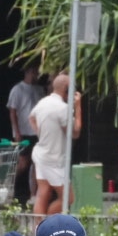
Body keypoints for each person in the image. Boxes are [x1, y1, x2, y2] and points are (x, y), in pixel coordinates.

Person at [30, 75, 81, 216]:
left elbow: (31, 117)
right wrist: (77, 106)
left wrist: (40, 133)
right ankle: (47, 220)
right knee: (68, 198)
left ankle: (38, 228)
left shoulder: (43, 102)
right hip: (54, 159)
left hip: (41, 153)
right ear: (66, 90)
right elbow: (75, 132)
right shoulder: (62, 108)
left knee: (43, 192)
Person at [8, 65, 45, 206]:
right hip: (23, 132)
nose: (37, 74)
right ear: (28, 72)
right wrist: (16, 131)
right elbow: (12, 111)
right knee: (23, 164)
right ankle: (8, 186)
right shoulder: (17, 89)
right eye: (35, 72)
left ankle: (33, 195)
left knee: (36, 163)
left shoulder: (40, 89)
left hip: (37, 131)